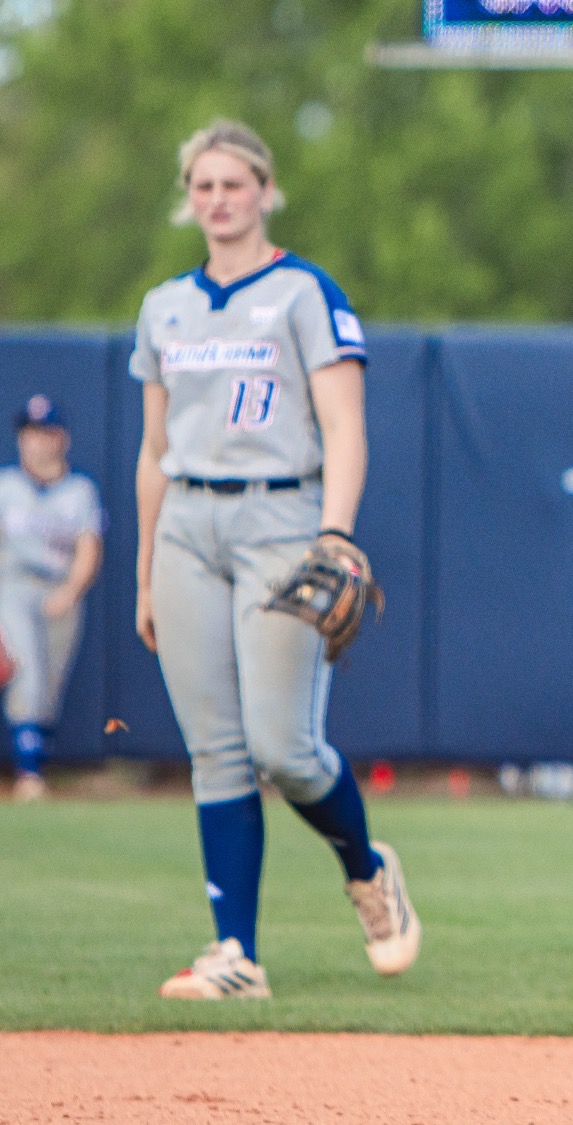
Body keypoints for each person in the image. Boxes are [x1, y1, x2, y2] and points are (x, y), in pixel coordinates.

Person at [130, 119, 419, 1000]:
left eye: (233, 183)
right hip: (187, 521)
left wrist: (335, 533)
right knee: (215, 750)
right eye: (204, 185)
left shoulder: (303, 292)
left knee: (283, 747)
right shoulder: (164, 305)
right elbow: (154, 449)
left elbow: (344, 425)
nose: (218, 199)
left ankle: (367, 867)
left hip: (281, 517)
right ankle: (236, 955)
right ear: (189, 198)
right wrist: (144, 569)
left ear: (265, 189)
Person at [0, 395, 104, 801]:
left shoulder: (79, 491)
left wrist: (70, 592)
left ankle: (34, 766)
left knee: (49, 685)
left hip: (61, 589)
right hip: (13, 586)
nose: (38, 442)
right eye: (31, 433)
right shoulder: (6, 486)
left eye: (46, 433)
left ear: (62, 438)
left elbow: (89, 549)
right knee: (28, 672)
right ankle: (29, 775)